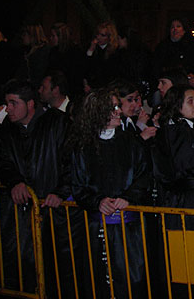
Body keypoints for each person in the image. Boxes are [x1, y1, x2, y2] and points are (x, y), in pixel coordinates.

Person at [70, 87, 151, 299]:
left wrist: (129, 197)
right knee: (99, 280)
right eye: (111, 107)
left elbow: (145, 176)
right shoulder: (82, 147)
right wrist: (97, 201)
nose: (118, 111)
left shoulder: (131, 142)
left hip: (130, 227)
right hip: (96, 227)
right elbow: (78, 186)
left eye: (117, 106)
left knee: (132, 279)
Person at [0, 79, 73, 295]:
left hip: (54, 216)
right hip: (20, 219)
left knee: (57, 271)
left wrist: (60, 192)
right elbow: (3, 162)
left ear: (30, 104)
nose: (7, 109)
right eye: (6, 103)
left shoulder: (57, 123)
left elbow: (71, 161)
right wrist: (15, 182)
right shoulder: (7, 132)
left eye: (13, 103)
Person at [151, 85, 194, 228]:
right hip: (192, 201)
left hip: (174, 199)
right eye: (190, 101)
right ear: (177, 105)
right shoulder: (182, 133)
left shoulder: (168, 131)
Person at [152, 17, 194, 84]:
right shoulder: (162, 46)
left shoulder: (192, 46)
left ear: (184, 30)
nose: (175, 29)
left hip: (187, 82)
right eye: (172, 27)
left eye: (178, 26)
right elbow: (156, 66)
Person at [47, 22, 85, 98]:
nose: (51, 38)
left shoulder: (74, 51)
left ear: (61, 37)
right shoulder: (53, 51)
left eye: (53, 36)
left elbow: (76, 75)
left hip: (71, 90)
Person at [84, 21, 120, 90]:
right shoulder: (93, 48)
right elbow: (86, 68)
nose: (98, 37)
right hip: (93, 87)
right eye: (97, 34)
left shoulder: (115, 52)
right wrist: (91, 50)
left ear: (110, 37)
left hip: (108, 87)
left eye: (103, 35)